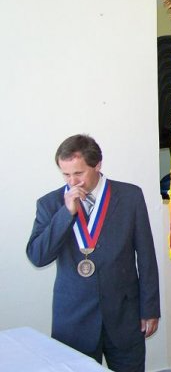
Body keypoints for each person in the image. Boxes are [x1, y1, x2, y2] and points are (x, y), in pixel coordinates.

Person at [26, 134, 160, 372]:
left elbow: (146, 256)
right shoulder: (50, 204)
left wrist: (150, 308)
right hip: (74, 320)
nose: (72, 181)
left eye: (78, 173)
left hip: (124, 315)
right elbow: (38, 256)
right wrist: (66, 214)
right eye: (66, 174)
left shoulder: (130, 196)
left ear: (97, 165)